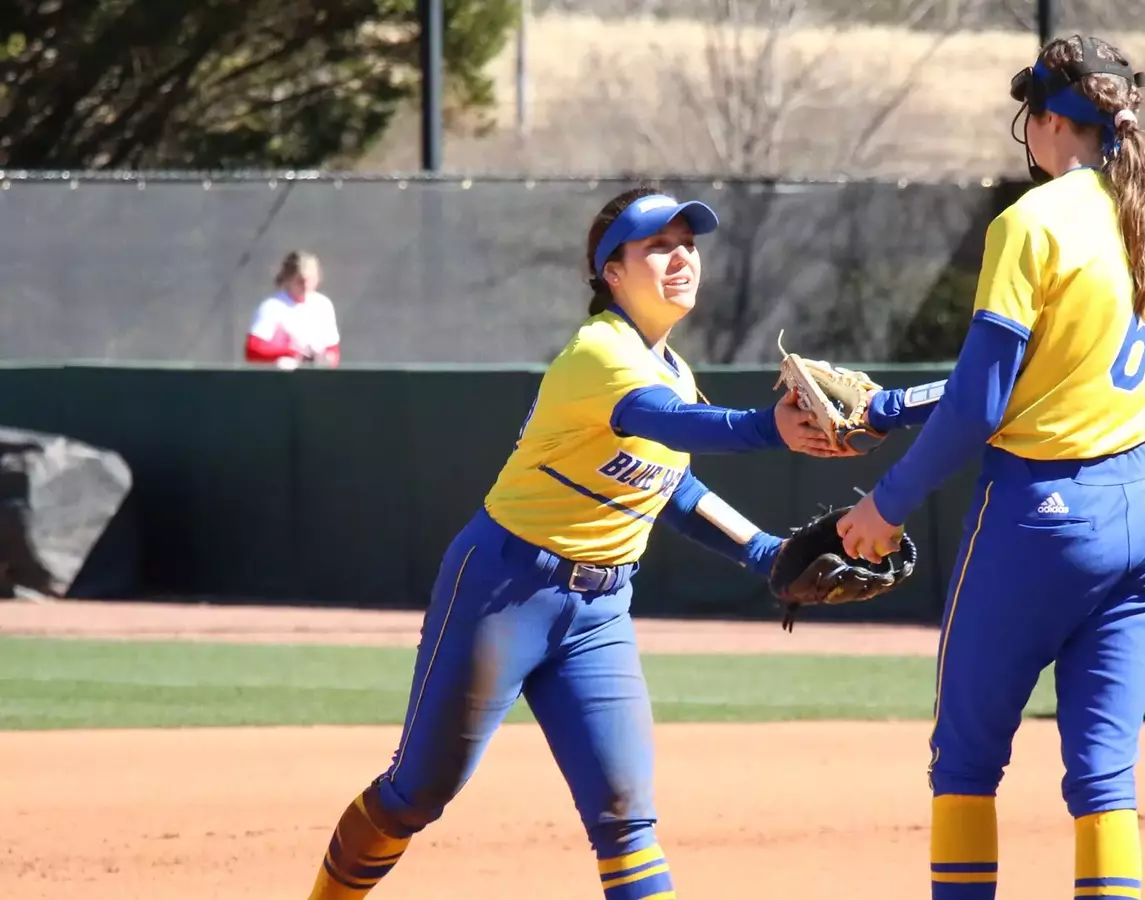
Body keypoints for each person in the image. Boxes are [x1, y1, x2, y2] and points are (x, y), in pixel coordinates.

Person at [303, 186, 840, 899]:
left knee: (626, 818)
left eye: (688, 244)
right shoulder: (600, 354)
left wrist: (764, 551)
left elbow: (668, 486)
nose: (681, 257)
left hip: (600, 613)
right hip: (503, 590)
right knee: (417, 793)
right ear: (611, 272)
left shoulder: (673, 368)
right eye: (657, 246)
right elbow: (677, 427)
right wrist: (768, 427)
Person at [835, 34, 1145, 900]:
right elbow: (1042, 378)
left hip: (1046, 518)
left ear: (1044, 119)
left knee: (965, 762)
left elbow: (983, 406)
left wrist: (885, 505)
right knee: (1104, 777)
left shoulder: (1032, 221)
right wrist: (886, 407)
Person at [245, 250, 342, 369]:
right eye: (300, 281)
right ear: (288, 279)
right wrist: (292, 354)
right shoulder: (272, 306)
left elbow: (332, 349)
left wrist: (327, 359)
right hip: (280, 380)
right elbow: (252, 350)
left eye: (311, 280)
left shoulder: (324, 305)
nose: (306, 285)